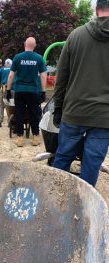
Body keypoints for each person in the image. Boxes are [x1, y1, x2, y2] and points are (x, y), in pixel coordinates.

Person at [52, 0, 109, 186]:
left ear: (96, 9)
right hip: (104, 118)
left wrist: (58, 108)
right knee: (92, 165)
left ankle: (53, 198)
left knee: (62, 158)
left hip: (74, 111)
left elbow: (61, 79)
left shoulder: (76, 36)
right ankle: (83, 205)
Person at [6, 37, 47, 147]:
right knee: (34, 113)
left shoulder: (18, 57)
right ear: (35, 45)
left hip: (20, 90)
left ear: (25, 44)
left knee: (19, 113)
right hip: (33, 91)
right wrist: (43, 91)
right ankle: (35, 137)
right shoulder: (39, 58)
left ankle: (20, 138)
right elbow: (43, 76)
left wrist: (8, 89)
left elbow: (11, 75)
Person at [0, 58, 13, 127]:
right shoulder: (14, 70)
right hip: (12, 90)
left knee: (1, 105)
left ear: (5, 64)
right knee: (12, 106)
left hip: (3, 89)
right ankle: (11, 122)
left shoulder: (1, 70)